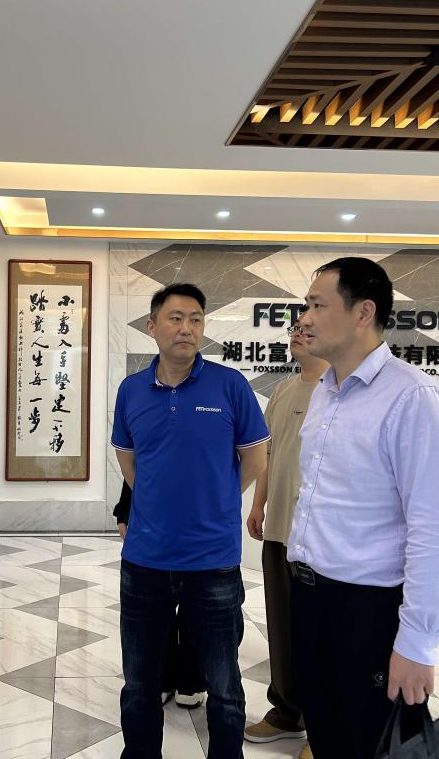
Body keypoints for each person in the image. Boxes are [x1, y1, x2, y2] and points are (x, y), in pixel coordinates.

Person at [286, 257, 439, 759]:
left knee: (368, 744)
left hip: (368, 611)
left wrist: (417, 643)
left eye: (317, 305)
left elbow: (435, 526)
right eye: (305, 306)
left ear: (363, 312)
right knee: (326, 737)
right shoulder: (326, 391)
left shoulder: (413, 398)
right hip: (311, 599)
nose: (305, 319)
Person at [112, 282, 269, 759]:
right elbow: (128, 457)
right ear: (152, 326)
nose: (187, 328)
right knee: (140, 681)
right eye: (176, 318)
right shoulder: (131, 389)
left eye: (196, 319)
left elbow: (255, 457)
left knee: (224, 684)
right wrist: (155, 501)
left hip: (213, 560)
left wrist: (217, 498)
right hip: (145, 559)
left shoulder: (230, 385)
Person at [244, 318, 327, 759]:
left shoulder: (338, 392)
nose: (298, 333)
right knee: (282, 624)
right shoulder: (283, 390)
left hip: (319, 536)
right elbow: (268, 453)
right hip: (279, 528)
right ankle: (286, 712)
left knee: (318, 632)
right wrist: (258, 504)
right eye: (295, 328)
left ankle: (324, 729)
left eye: (309, 327)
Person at [115, 480, 207, 708]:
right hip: (152, 524)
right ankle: (164, 678)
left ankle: (190, 680)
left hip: (202, 521)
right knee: (157, 605)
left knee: (195, 605)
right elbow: (136, 464)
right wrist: (124, 508)